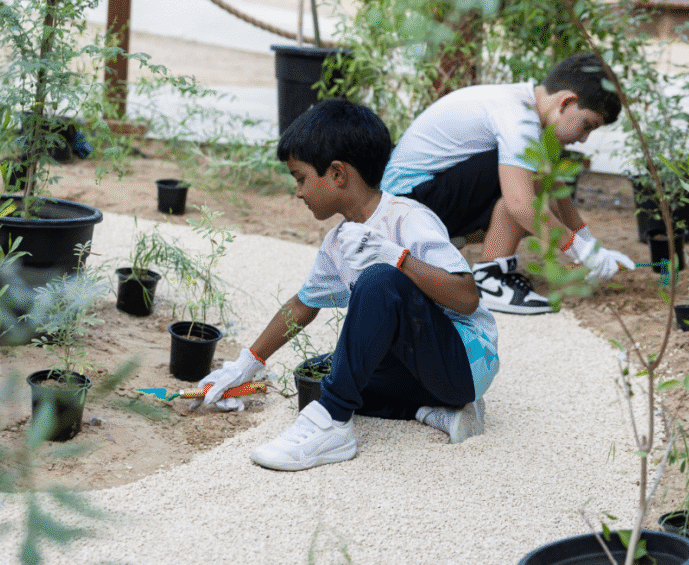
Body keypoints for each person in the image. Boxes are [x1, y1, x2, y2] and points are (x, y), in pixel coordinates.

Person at [199, 98, 499, 471]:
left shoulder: (409, 219)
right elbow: (302, 305)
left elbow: (467, 298)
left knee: (379, 280)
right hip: (423, 373)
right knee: (319, 374)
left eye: (301, 178)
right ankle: (437, 414)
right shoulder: (339, 241)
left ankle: (333, 426)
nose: (298, 192)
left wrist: (398, 260)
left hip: (463, 363)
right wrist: (245, 366)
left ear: (338, 174)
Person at [381, 52, 635, 316]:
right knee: (527, 187)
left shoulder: (523, 106)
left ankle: (457, 255)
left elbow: (557, 191)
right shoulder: (518, 116)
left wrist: (590, 245)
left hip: (415, 203)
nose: (583, 139)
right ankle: (491, 280)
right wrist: (583, 253)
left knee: (536, 177)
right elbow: (521, 206)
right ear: (566, 102)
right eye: (587, 125)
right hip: (404, 206)